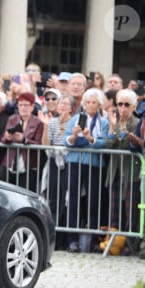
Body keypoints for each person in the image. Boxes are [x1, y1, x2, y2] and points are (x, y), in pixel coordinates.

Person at [64, 88, 108, 253]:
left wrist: (90, 139)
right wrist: (74, 136)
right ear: (84, 104)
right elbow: (66, 140)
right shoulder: (76, 119)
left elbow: (104, 143)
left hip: (95, 163)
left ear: (99, 105)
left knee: (94, 201)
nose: (90, 105)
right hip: (76, 161)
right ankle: (72, 240)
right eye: (88, 102)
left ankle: (94, 240)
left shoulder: (103, 122)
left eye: (94, 103)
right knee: (74, 200)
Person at [104, 89, 141, 236]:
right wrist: (113, 127)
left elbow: (127, 145)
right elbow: (108, 145)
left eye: (127, 104)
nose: (123, 108)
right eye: (120, 104)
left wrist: (121, 128)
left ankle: (129, 242)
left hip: (131, 173)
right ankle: (113, 240)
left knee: (130, 209)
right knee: (114, 210)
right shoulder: (112, 122)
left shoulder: (137, 123)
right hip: (115, 172)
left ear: (134, 107)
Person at [0, 92, 44, 192]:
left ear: (32, 107)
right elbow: (3, 139)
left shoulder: (38, 123)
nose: (23, 108)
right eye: (20, 105)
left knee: (24, 194)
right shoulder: (12, 119)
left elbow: (39, 144)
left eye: (26, 105)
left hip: (27, 165)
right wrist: (8, 138)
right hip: (9, 162)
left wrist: (24, 140)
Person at [41, 93, 75, 249]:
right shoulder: (52, 122)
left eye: (66, 104)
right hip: (54, 162)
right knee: (53, 199)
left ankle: (62, 239)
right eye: (61, 103)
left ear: (72, 108)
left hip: (68, 163)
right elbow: (46, 144)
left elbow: (68, 143)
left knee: (65, 201)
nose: (62, 106)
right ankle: (52, 237)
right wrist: (47, 125)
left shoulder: (73, 122)